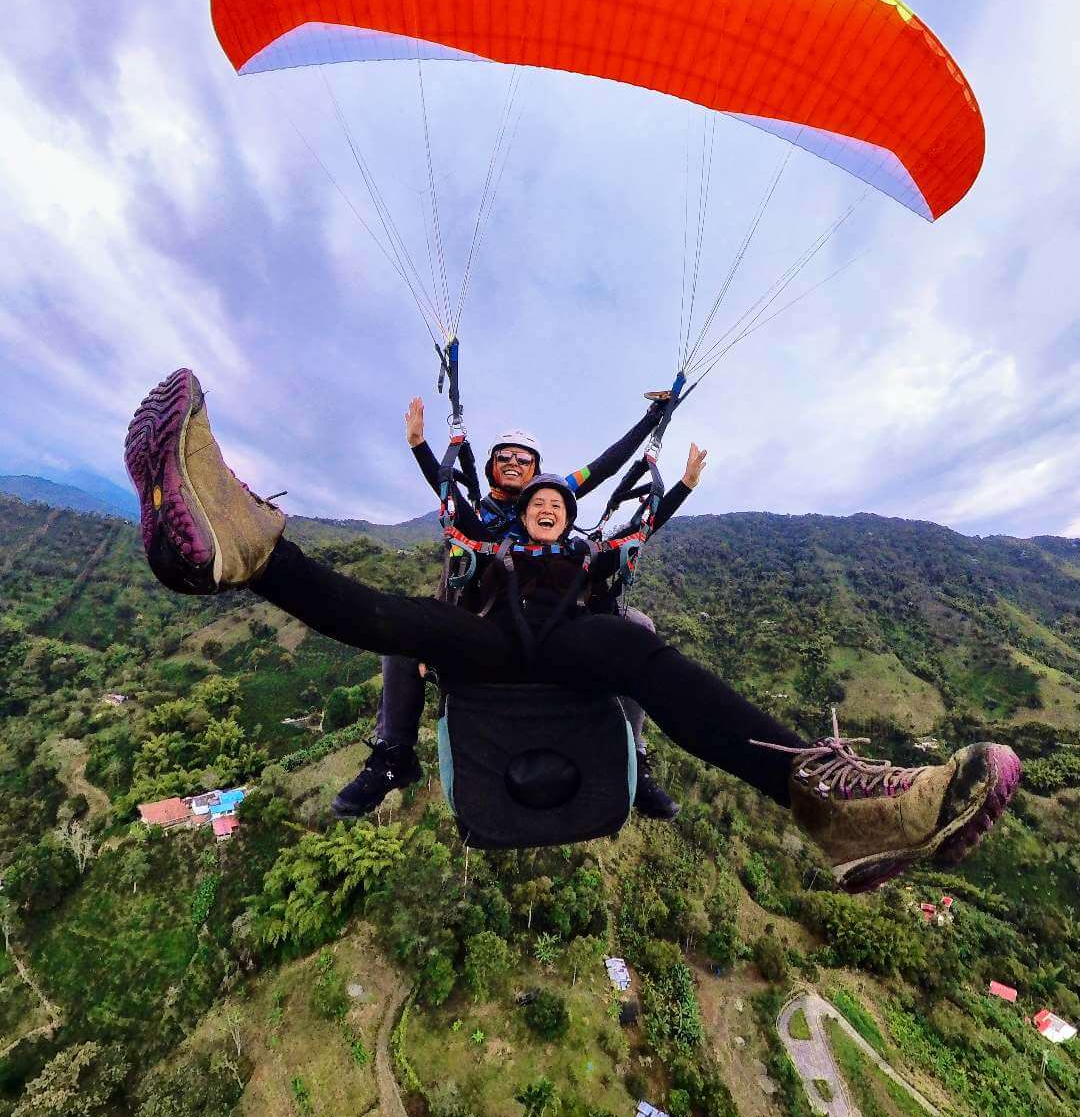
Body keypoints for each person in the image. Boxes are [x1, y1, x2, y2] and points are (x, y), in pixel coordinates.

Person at [125, 369, 1021, 895]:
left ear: (568, 506)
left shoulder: (590, 539)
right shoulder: (482, 521)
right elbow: (451, 484)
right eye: (529, 487)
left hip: (572, 644)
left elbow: (633, 491)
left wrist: (666, 432)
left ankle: (833, 807)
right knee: (400, 619)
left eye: (553, 494)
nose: (540, 497)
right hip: (487, 640)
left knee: (638, 641)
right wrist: (423, 444)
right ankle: (236, 552)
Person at [337, 392, 693, 822]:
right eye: (503, 455)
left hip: (555, 619)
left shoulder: (555, 497)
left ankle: (635, 756)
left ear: (538, 472)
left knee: (637, 625)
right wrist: (419, 446)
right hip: (487, 620)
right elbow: (448, 499)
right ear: (490, 466)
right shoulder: (477, 516)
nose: (513, 462)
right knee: (401, 630)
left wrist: (653, 419)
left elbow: (607, 466)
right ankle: (394, 754)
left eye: (524, 459)